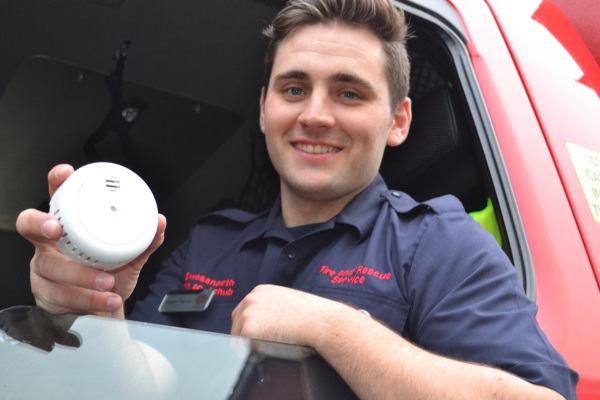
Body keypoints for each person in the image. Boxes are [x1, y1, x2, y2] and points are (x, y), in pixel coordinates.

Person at [16, 0, 577, 398]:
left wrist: (337, 331)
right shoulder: (209, 244)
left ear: (398, 121)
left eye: (349, 92)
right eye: (293, 88)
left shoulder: (442, 244)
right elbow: (143, 385)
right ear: (265, 109)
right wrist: (89, 313)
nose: (314, 114)